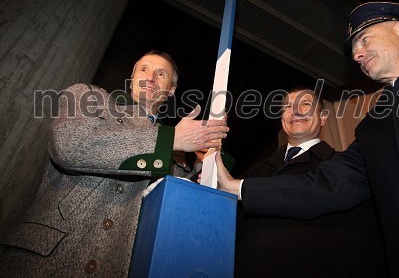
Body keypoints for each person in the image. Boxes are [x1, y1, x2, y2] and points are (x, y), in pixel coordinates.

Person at [213, 2, 399, 278]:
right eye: (353, 50)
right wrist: (236, 186)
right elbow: (323, 185)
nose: (357, 55)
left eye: (363, 40)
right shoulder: (372, 129)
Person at [0, 50, 229, 277]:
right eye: (144, 69)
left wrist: (206, 162)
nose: (150, 77)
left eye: (161, 74)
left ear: (170, 90)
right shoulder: (90, 97)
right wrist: (171, 139)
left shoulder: (178, 155)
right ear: (132, 80)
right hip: (48, 258)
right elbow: (69, 143)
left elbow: (187, 219)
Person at [234, 87, 388, 278]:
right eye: (288, 107)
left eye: (305, 104)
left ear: (323, 118)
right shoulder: (256, 172)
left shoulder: (345, 170)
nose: (296, 111)